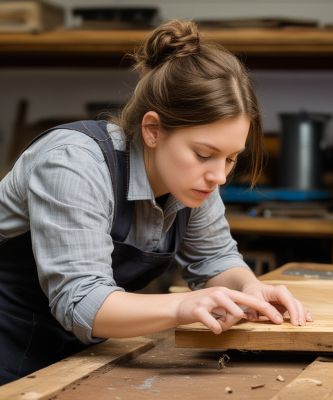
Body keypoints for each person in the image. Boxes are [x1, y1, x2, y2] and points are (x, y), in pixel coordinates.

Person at [0, 19, 312, 384]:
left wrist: (249, 288)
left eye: (230, 158)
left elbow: (215, 259)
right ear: (152, 130)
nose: (220, 176)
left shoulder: (193, 182)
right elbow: (82, 302)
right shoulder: (73, 162)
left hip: (72, 351)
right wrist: (183, 305)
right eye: (203, 153)